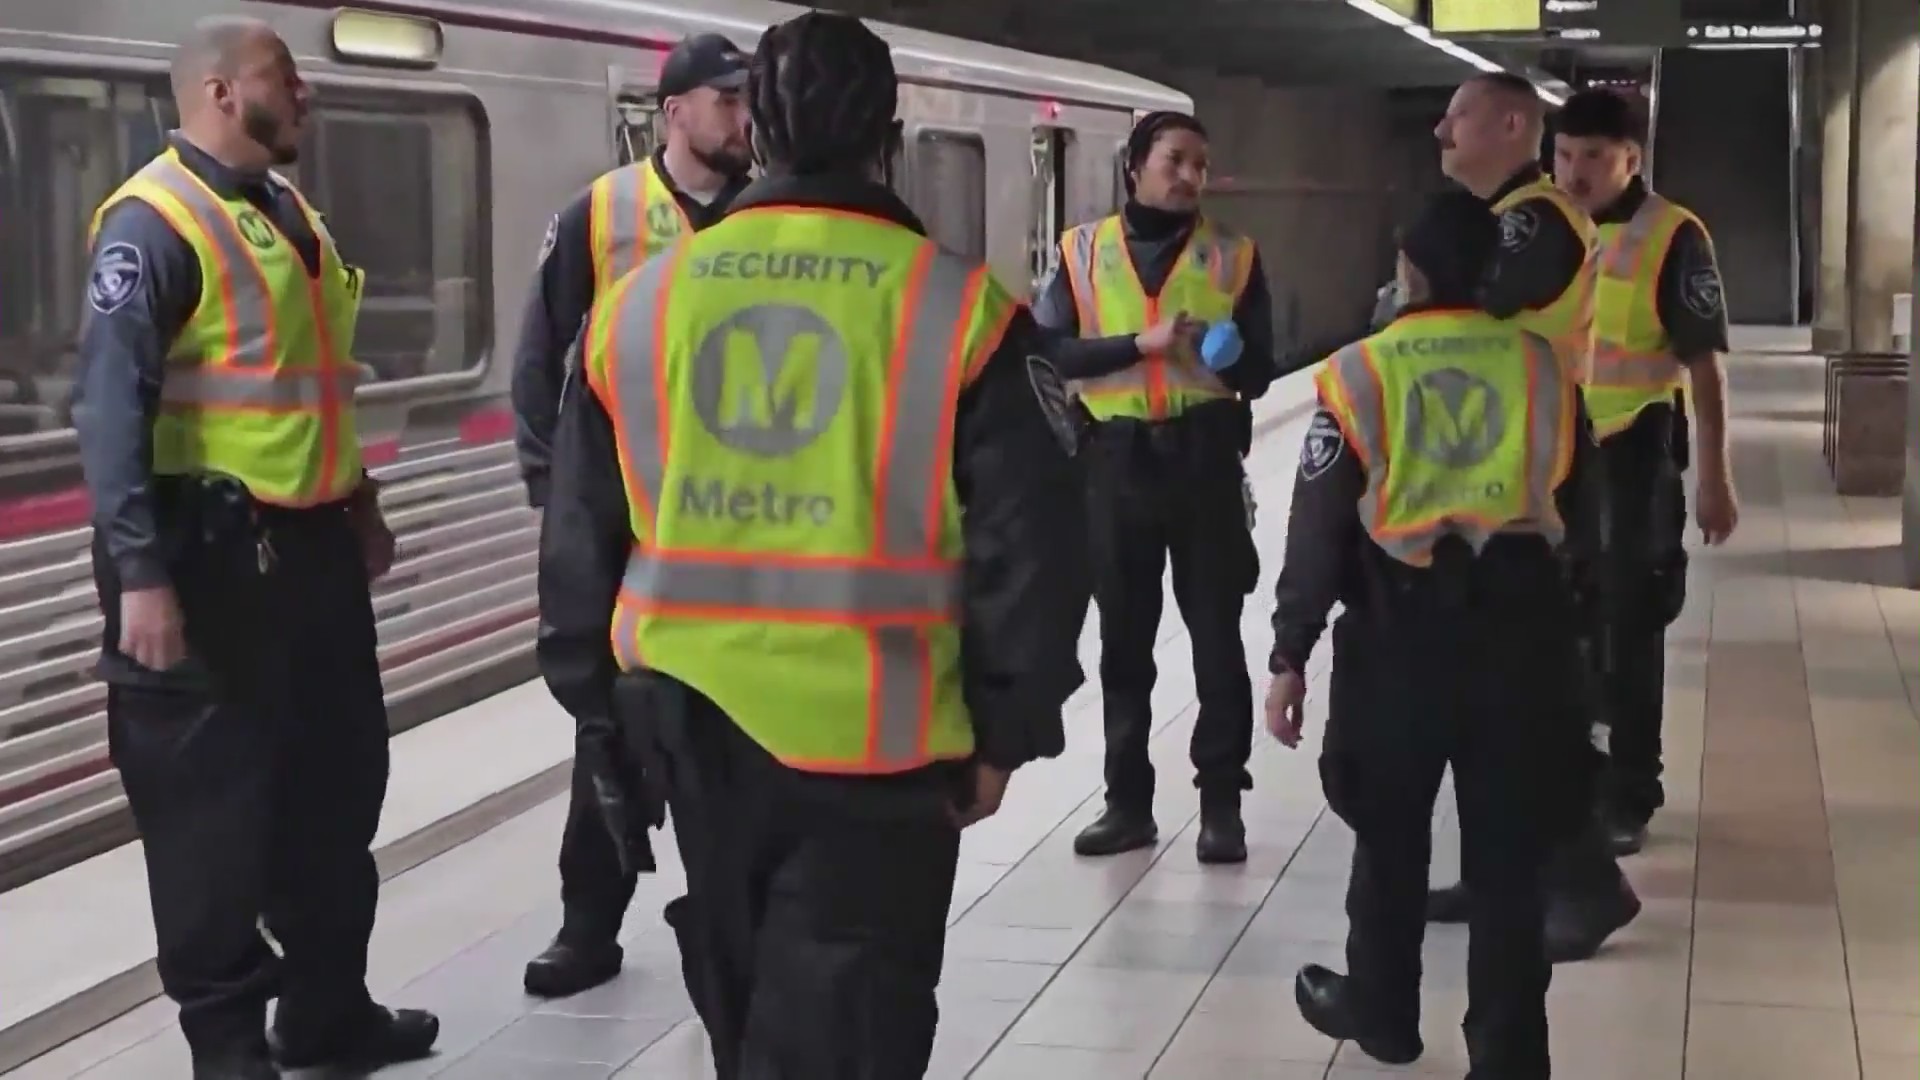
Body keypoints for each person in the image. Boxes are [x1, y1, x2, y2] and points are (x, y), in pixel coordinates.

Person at [535, 11, 1085, 1077]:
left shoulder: (640, 308)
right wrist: (1008, 729)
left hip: (692, 733)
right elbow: (1040, 544)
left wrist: (597, 713)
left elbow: (578, 537)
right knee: (850, 1024)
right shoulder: (959, 309)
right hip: (879, 743)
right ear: (890, 128)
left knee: (746, 1006)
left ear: (758, 130)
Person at [70, 17, 437, 1079]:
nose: (307, 92)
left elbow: (305, 385)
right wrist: (139, 572)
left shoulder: (287, 214)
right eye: (287, 76)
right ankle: (229, 1052)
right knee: (211, 828)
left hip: (310, 560)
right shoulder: (152, 227)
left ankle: (327, 1012)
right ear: (223, 93)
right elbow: (109, 411)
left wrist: (360, 505)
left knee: (335, 795)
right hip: (206, 567)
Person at [1263, 191, 1603, 1079]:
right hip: (1521, 637)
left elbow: (1319, 522)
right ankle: (1508, 1047)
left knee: (1389, 830)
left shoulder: (1360, 373)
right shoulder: (1544, 370)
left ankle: (1381, 1008)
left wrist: (1290, 650)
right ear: (1489, 266)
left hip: (1398, 636)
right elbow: (1587, 518)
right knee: (1509, 856)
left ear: (1407, 267)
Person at [509, 30, 756, 1001]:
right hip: (627, 517)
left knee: (726, 717)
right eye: (727, 101)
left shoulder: (766, 213)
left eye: (750, 102)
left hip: (740, 519)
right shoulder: (600, 216)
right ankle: (589, 921)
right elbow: (542, 363)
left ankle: (727, 907)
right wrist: (560, 500)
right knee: (609, 722)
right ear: (675, 112)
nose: (743, 119)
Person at [1421, 72, 1643, 962]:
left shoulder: (1536, 219)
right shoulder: (1513, 214)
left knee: (1534, 701)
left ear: (1513, 124)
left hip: (1536, 486)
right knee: (1486, 702)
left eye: (1460, 114)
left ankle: (1587, 885)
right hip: (1498, 479)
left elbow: (1470, 310)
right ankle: (1501, 872)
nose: (1441, 127)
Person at [1032, 110, 1280, 865]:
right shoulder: (1081, 252)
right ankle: (1126, 803)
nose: (1190, 175)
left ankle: (1221, 805)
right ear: (1135, 164)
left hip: (1202, 460)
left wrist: (1231, 362)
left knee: (1215, 637)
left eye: (1201, 164)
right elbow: (1048, 354)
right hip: (1114, 460)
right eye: (1176, 159)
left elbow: (1262, 369)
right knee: (1123, 643)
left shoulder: (1234, 255)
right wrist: (1134, 347)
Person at [1549, 87, 1738, 853]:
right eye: (1564, 155)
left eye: (1594, 157)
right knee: (1564, 620)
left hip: (1636, 447)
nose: (1576, 172)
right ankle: (1573, 776)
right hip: (1556, 448)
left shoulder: (1673, 234)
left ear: (1632, 158)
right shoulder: (1541, 227)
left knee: (1631, 618)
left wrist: (1716, 480)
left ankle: (1631, 787)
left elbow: (1706, 365)